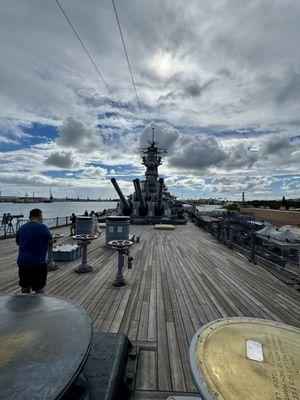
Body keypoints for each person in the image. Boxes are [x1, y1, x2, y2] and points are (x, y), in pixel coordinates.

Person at [16, 208, 53, 294]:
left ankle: (25, 305)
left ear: (29, 217)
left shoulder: (22, 228)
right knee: (39, 288)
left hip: (23, 262)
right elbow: (50, 241)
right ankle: (38, 307)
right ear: (40, 216)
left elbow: (18, 242)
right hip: (38, 263)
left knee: (25, 287)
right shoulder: (42, 227)